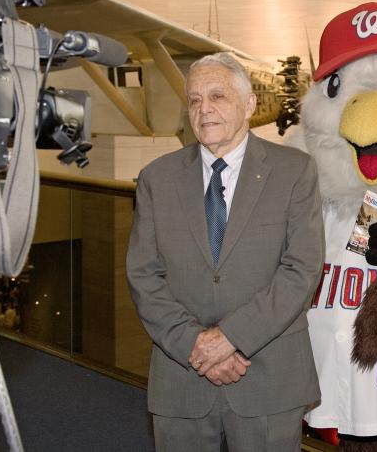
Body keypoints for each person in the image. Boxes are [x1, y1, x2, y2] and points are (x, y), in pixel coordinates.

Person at [126, 52, 325, 451]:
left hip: (267, 378)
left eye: (218, 95)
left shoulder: (294, 172)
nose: (205, 109)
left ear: (249, 105)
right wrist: (195, 344)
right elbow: (144, 275)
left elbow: (301, 269)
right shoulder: (156, 179)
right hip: (182, 376)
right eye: (195, 99)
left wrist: (230, 338)